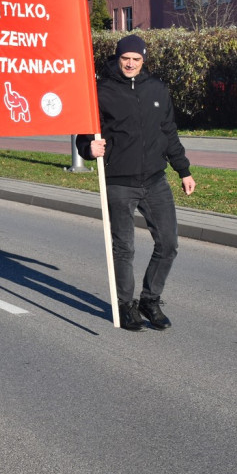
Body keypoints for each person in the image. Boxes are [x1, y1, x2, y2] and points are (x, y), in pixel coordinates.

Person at [75, 33, 196, 332]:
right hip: (119, 182)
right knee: (124, 249)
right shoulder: (100, 91)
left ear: (144, 60)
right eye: (125, 58)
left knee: (168, 244)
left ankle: (150, 300)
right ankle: (126, 305)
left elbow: (169, 132)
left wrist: (183, 170)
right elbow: (84, 136)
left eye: (136, 59)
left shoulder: (157, 89)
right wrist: (89, 149)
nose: (130, 64)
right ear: (118, 58)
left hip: (155, 181)